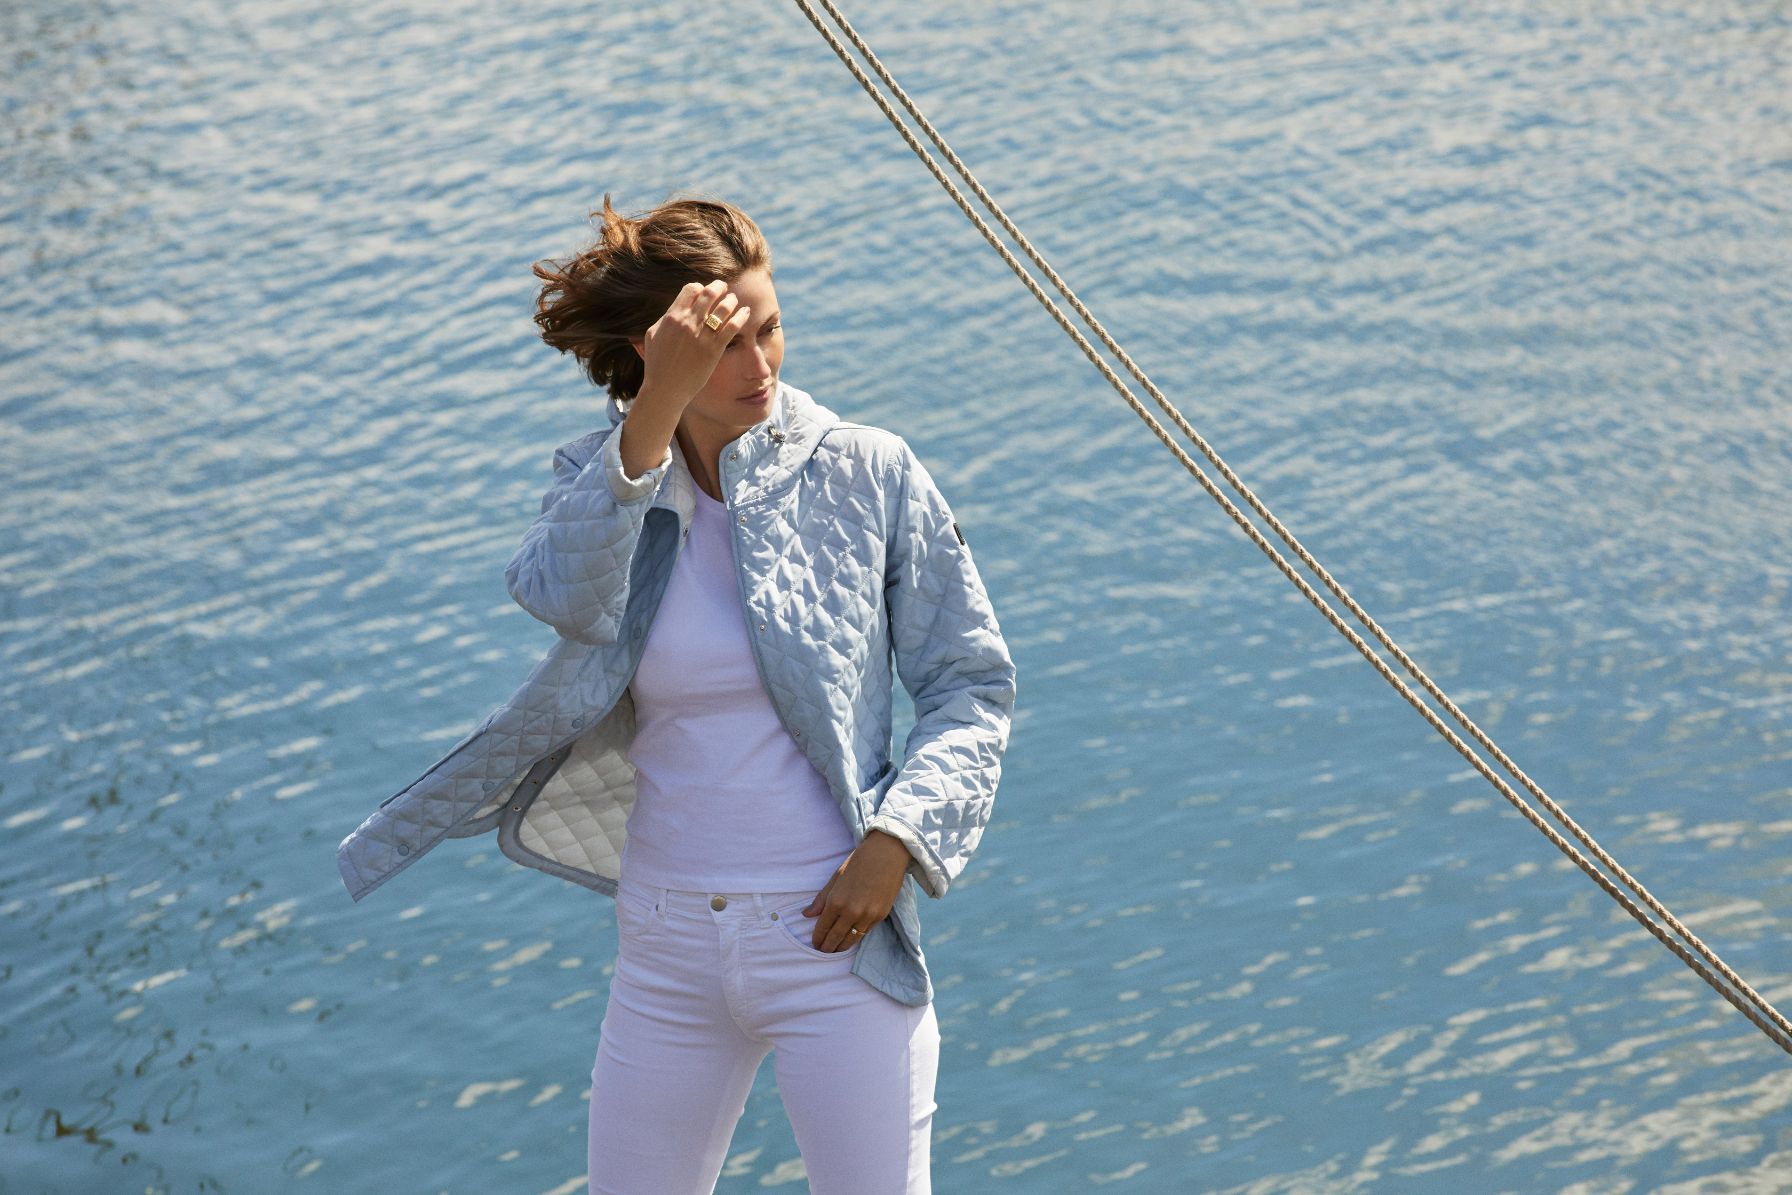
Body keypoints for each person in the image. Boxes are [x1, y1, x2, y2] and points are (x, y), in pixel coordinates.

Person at [518, 193, 1017, 1194]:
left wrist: (897, 841)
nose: (759, 365)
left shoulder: (865, 472)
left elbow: (971, 684)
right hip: (664, 943)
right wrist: (651, 419)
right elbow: (558, 596)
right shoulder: (601, 478)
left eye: (771, 328)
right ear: (657, 351)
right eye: (726, 344)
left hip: (834, 933)